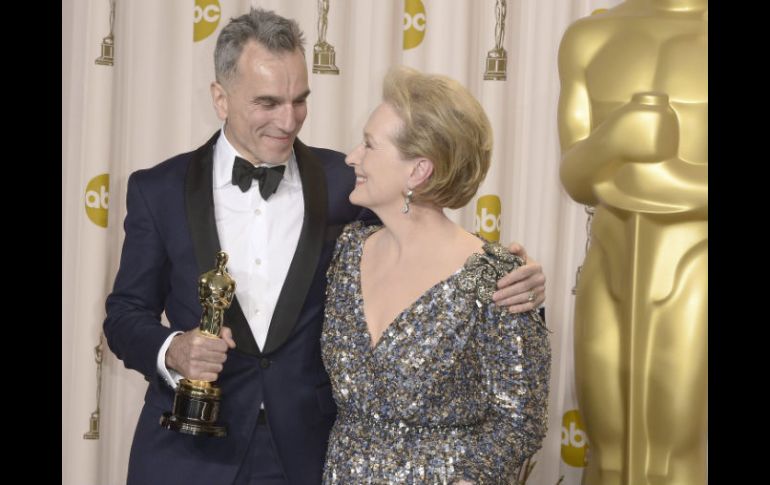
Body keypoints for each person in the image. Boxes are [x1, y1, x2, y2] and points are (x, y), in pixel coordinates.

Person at [104, 8, 546, 485]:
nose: (288, 120)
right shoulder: (158, 189)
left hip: (306, 455)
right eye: (268, 102)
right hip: (185, 451)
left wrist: (512, 277)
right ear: (220, 97)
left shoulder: (345, 184)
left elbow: (425, 229)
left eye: (300, 100)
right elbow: (126, 313)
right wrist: (173, 350)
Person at [321, 67, 550, 484]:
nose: (352, 157)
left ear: (418, 171)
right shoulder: (349, 248)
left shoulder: (494, 273)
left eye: (370, 145)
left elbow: (521, 419)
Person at [557, 1, 707, 484]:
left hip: (695, 260)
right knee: (609, 449)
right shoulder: (589, 37)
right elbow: (577, 179)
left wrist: (668, 176)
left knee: (672, 450)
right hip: (610, 258)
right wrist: (614, 140)